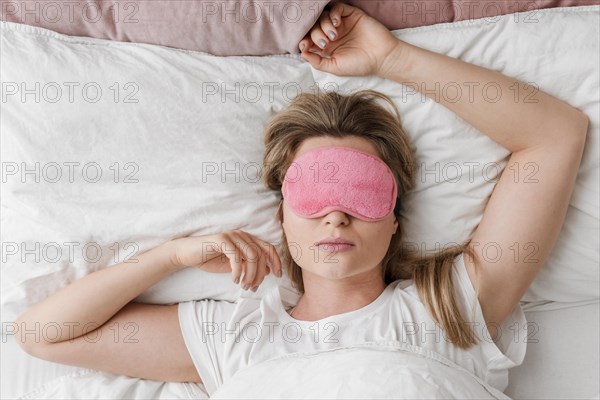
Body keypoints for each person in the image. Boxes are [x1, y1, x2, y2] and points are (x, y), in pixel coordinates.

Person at [15, 1, 588, 397]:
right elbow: (42, 334)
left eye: (362, 189)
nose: (336, 212)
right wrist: (172, 257)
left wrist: (391, 60)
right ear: (282, 218)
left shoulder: (451, 306)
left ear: (395, 220)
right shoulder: (237, 337)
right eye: (313, 192)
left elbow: (554, 137)